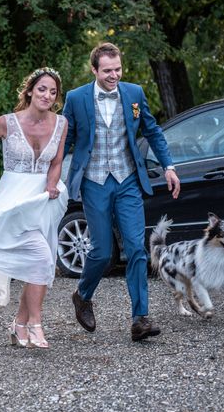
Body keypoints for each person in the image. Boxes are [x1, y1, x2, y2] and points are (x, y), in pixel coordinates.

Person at [63, 42, 181, 342]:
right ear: (94, 70)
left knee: (137, 248)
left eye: (117, 69)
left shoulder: (134, 94)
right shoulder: (76, 99)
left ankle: (140, 318)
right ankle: (83, 295)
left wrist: (168, 166)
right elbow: (65, 140)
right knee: (102, 252)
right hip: (93, 181)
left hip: (128, 179)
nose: (114, 75)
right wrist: (49, 176)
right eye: (107, 71)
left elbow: (152, 130)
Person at [0, 68, 69, 349]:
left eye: (52, 92)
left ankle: (21, 324)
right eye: (42, 89)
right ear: (29, 91)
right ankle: (34, 323)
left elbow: (57, 161)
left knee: (41, 262)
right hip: (13, 202)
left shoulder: (61, 124)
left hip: (40, 202)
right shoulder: (7, 123)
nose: (47, 95)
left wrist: (51, 183)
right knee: (42, 260)